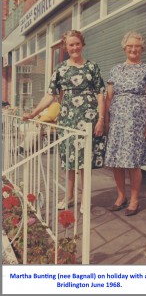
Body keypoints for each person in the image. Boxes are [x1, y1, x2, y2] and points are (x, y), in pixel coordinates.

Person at [23, 30, 105, 213]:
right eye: (71, 44)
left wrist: (101, 120)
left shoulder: (93, 67)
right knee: (69, 158)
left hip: (89, 117)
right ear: (66, 47)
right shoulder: (60, 68)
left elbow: (101, 94)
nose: (74, 47)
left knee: (84, 160)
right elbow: (51, 95)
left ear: (82, 44)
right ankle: (68, 196)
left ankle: (85, 198)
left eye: (77, 43)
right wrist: (34, 112)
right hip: (68, 117)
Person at [104, 31, 146, 216]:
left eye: (137, 46)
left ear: (142, 48)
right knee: (116, 162)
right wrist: (105, 121)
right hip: (117, 122)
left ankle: (134, 200)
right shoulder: (115, 69)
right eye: (130, 46)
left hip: (137, 122)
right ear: (124, 48)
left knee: (133, 162)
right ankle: (121, 197)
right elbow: (109, 98)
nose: (133, 49)